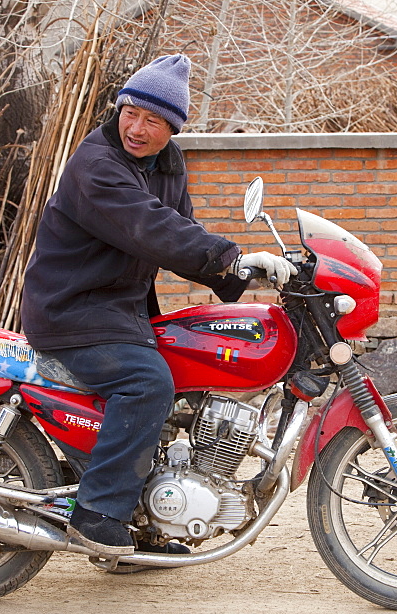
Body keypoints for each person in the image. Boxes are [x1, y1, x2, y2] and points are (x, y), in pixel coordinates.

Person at [20, 54, 295, 558]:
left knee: (185, 373)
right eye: (131, 113)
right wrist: (231, 257)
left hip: (118, 313)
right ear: (119, 108)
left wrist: (238, 273)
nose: (137, 128)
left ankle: (148, 523)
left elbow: (178, 235)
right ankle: (99, 514)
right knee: (148, 383)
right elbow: (151, 227)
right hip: (72, 311)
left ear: (172, 128)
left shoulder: (169, 165)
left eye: (153, 121)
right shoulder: (96, 163)